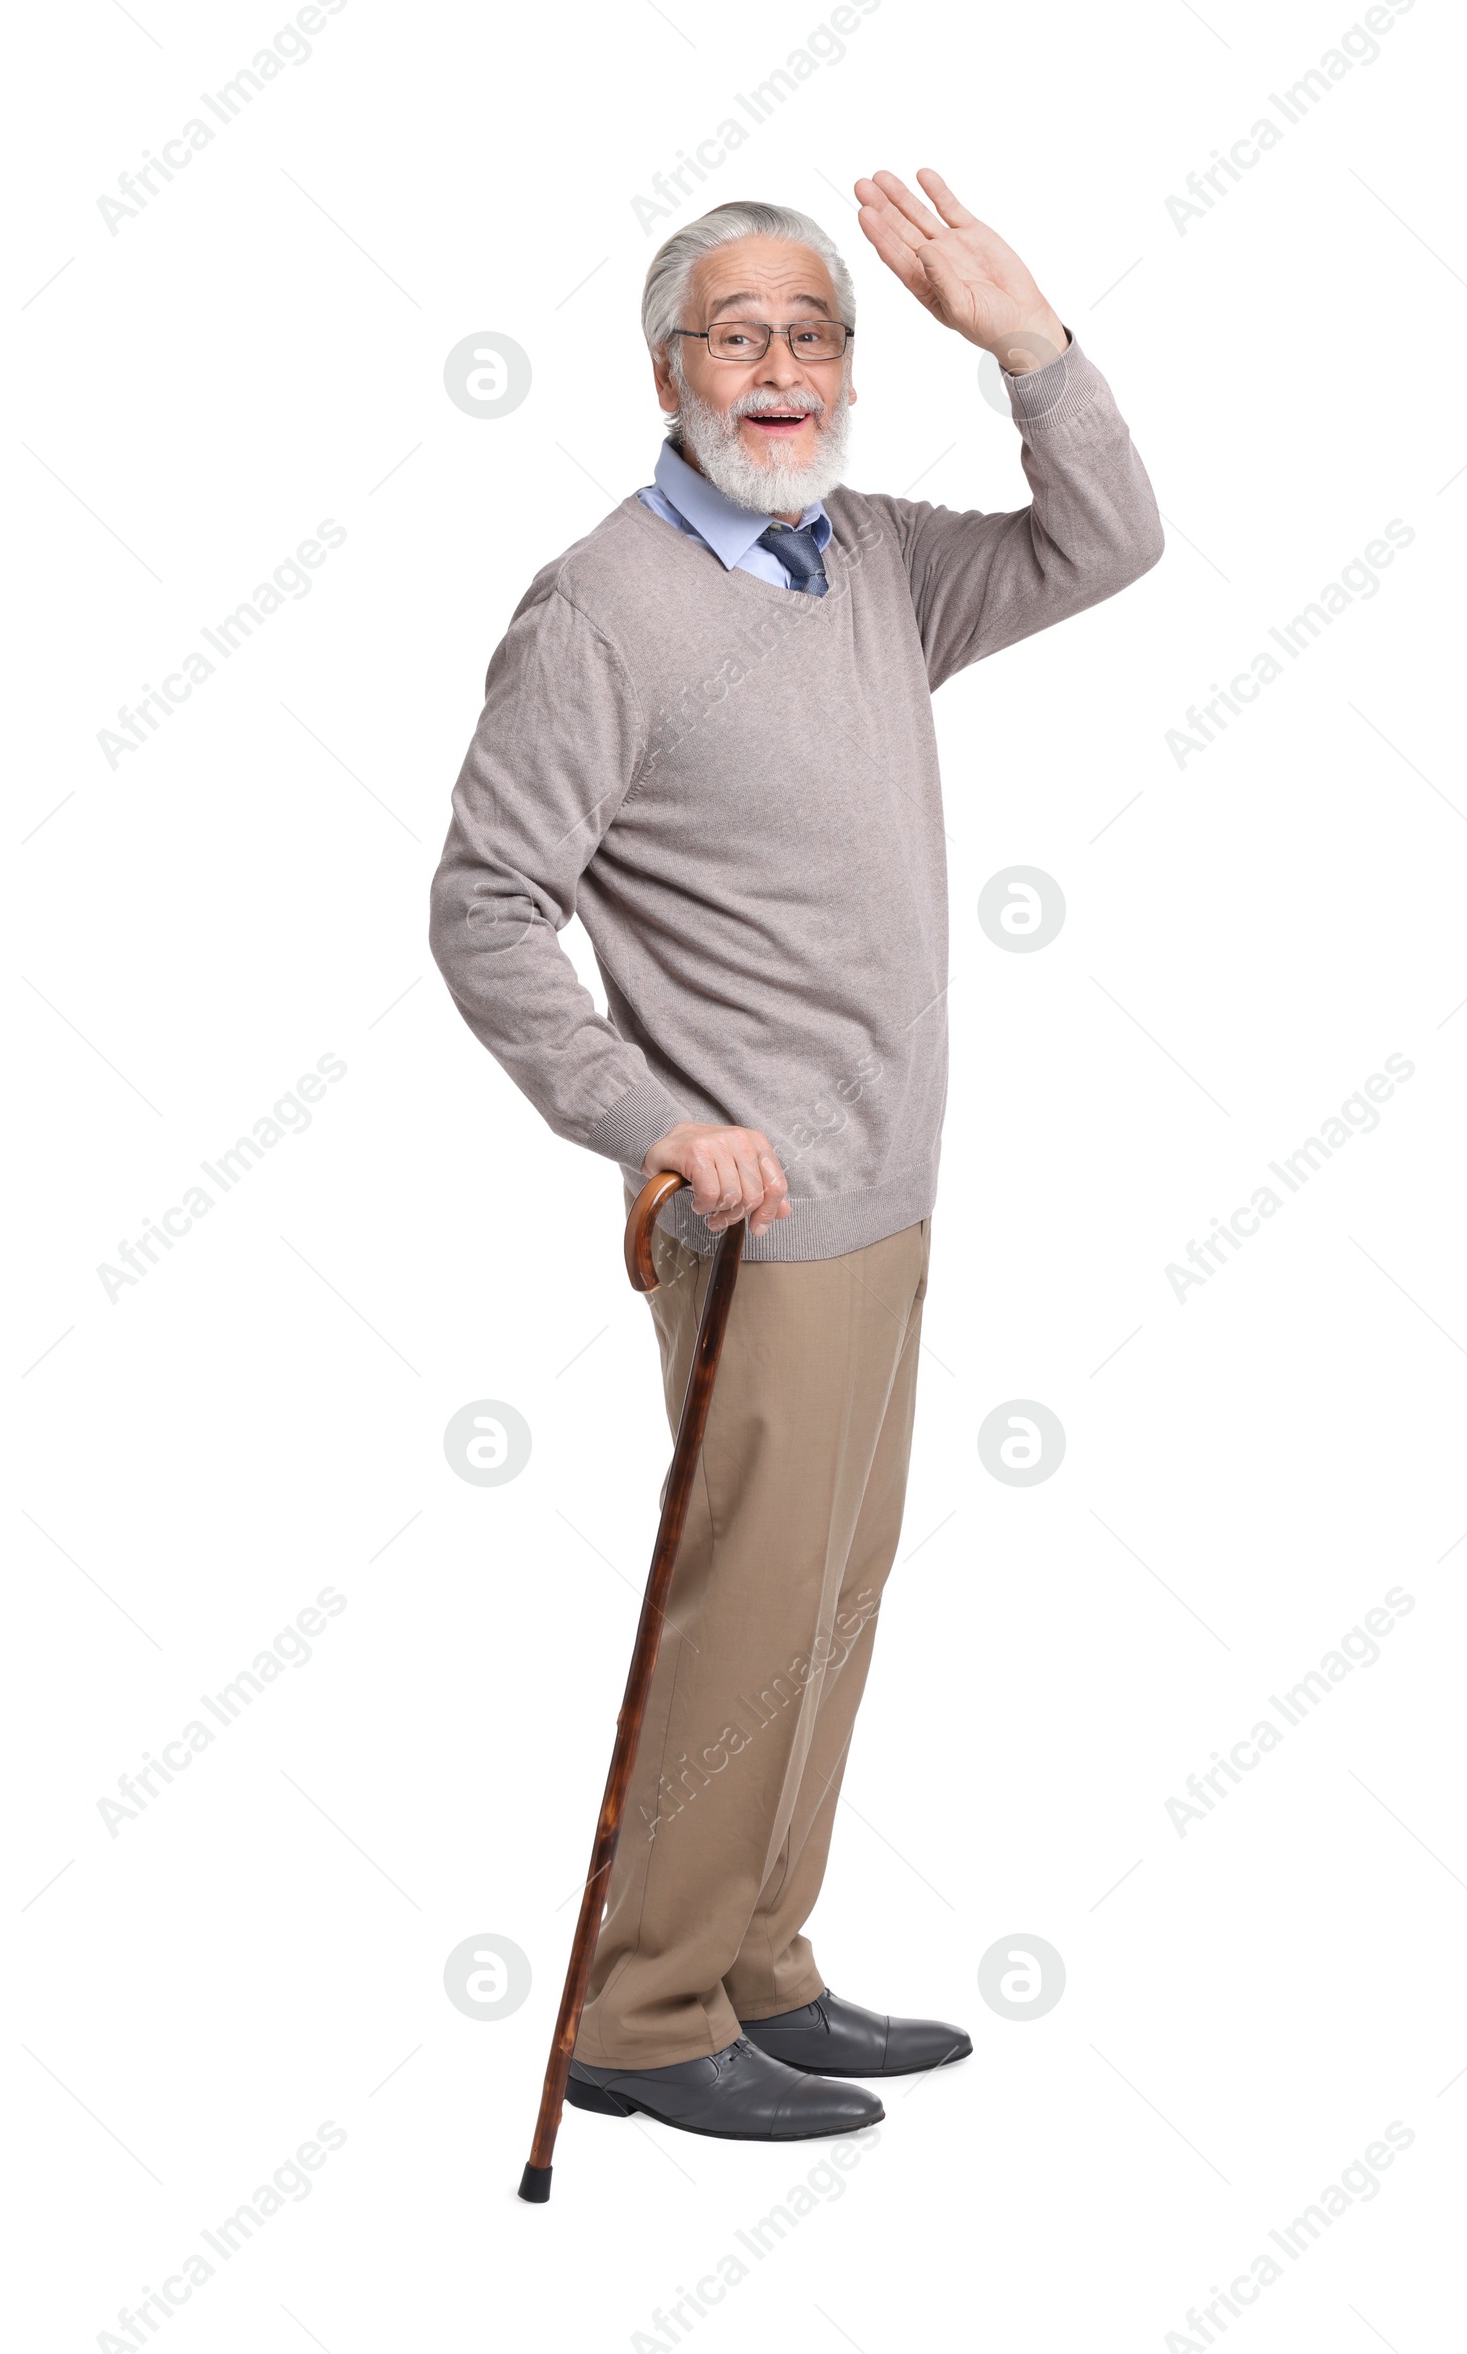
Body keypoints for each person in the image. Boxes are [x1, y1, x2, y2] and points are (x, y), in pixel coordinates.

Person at [429, 169, 1163, 2141]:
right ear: (664, 368)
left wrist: (1026, 344)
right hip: (746, 1213)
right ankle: (644, 2012)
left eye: (813, 332)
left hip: (885, 1189)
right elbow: (486, 905)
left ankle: (759, 1957)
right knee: (747, 1603)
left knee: (834, 1592)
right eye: (739, 334)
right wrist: (653, 1122)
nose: (780, 369)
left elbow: (1106, 539)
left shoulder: (867, 563)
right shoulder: (603, 606)